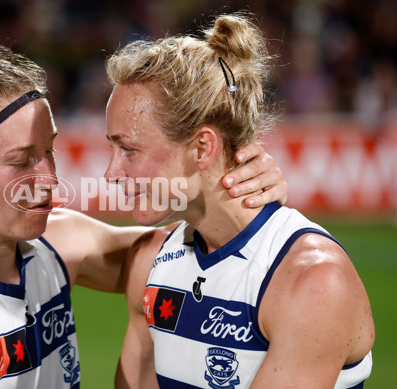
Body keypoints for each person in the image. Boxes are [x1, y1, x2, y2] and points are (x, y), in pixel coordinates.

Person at [0, 41, 287, 389]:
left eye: (48, 151)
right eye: (21, 161)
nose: (49, 179)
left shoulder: (55, 245)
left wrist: (232, 182)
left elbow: (186, 252)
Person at [105, 13, 375, 389]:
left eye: (128, 150)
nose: (111, 174)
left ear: (202, 148)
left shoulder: (312, 281)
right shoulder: (150, 263)